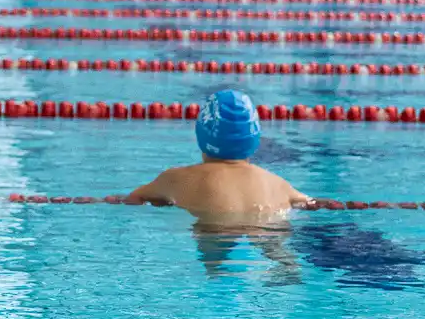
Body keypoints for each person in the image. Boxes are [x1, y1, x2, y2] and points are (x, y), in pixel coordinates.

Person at [126, 90, 308, 226]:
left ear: (201, 134)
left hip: (215, 228)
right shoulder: (278, 184)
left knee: (216, 265)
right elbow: (309, 203)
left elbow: (135, 198)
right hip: (268, 224)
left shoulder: (175, 179)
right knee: (277, 247)